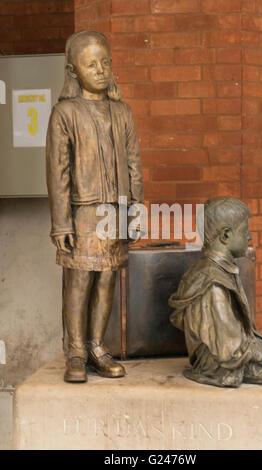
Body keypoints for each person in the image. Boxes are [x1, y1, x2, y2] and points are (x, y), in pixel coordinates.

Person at [46, 30, 143, 383]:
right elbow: (58, 173)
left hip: (115, 211)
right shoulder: (65, 113)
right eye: (91, 64)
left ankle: (97, 347)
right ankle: (75, 351)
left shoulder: (122, 112)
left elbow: (134, 165)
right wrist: (61, 223)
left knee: (106, 280)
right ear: (73, 71)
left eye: (106, 62)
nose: (101, 70)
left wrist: (136, 211)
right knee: (79, 281)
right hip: (82, 211)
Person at [169, 196, 262, 447]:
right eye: (246, 230)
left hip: (236, 351)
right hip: (220, 365)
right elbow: (230, 348)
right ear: (226, 236)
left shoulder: (221, 269)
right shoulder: (212, 283)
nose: (250, 237)